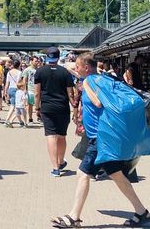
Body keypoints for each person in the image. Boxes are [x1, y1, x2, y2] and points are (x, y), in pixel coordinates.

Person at [50, 69, 150, 228]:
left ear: (85, 67)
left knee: (82, 173)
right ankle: (142, 212)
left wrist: (85, 84)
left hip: (100, 139)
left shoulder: (90, 81)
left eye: (78, 66)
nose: (76, 68)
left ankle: (73, 217)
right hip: (104, 137)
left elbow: (97, 102)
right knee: (117, 175)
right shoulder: (102, 80)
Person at [35, 46, 75, 177]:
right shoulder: (65, 72)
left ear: (47, 57)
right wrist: (74, 107)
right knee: (62, 135)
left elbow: (37, 93)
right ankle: (60, 160)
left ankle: (55, 168)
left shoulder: (40, 72)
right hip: (62, 107)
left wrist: (37, 107)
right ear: (59, 57)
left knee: (51, 136)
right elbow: (70, 93)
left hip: (47, 107)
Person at [21, 56, 40, 124]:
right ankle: (30, 118)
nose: (37, 62)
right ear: (31, 61)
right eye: (36, 61)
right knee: (30, 105)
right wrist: (25, 89)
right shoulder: (27, 70)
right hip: (30, 89)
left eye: (37, 61)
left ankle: (38, 116)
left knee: (39, 104)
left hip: (38, 90)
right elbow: (24, 80)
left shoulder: (39, 70)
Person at [3, 59, 21, 127]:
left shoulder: (9, 72)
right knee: (13, 106)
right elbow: (18, 82)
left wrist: (5, 91)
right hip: (16, 90)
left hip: (10, 89)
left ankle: (21, 121)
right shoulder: (19, 72)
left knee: (16, 106)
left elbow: (7, 83)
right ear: (19, 65)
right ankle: (7, 120)